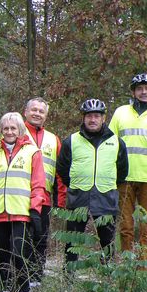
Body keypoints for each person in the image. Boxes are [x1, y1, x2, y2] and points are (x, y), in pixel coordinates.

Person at [0, 112, 45, 292]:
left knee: (19, 254)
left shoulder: (32, 152)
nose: (9, 132)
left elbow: (38, 184)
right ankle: (6, 291)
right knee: (2, 255)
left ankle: (24, 291)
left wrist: (35, 210)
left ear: (20, 130)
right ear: (1, 130)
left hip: (21, 212)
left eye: (13, 128)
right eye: (6, 128)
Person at [57, 99, 128, 265]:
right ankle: (69, 275)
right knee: (73, 240)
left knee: (107, 241)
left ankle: (108, 273)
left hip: (106, 197)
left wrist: (108, 184)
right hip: (78, 197)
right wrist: (75, 183)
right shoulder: (71, 141)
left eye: (97, 116)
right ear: (83, 118)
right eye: (89, 116)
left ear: (104, 118)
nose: (93, 119)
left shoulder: (116, 142)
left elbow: (122, 171)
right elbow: (62, 168)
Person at [108, 73, 147, 258]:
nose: (144, 92)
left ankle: (143, 275)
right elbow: (110, 143)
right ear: (133, 92)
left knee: (146, 229)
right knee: (126, 226)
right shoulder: (121, 112)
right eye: (140, 89)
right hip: (124, 179)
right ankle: (126, 269)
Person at [23, 97, 66, 286]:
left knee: (40, 239)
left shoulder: (53, 139)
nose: (37, 113)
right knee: (20, 239)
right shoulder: (15, 131)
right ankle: (19, 277)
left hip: (44, 199)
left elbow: (60, 172)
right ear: (25, 112)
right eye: (34, 110)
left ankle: (36, 277)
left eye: (41, 111)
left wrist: (61, 200)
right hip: (19, 197)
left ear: (46, 116)